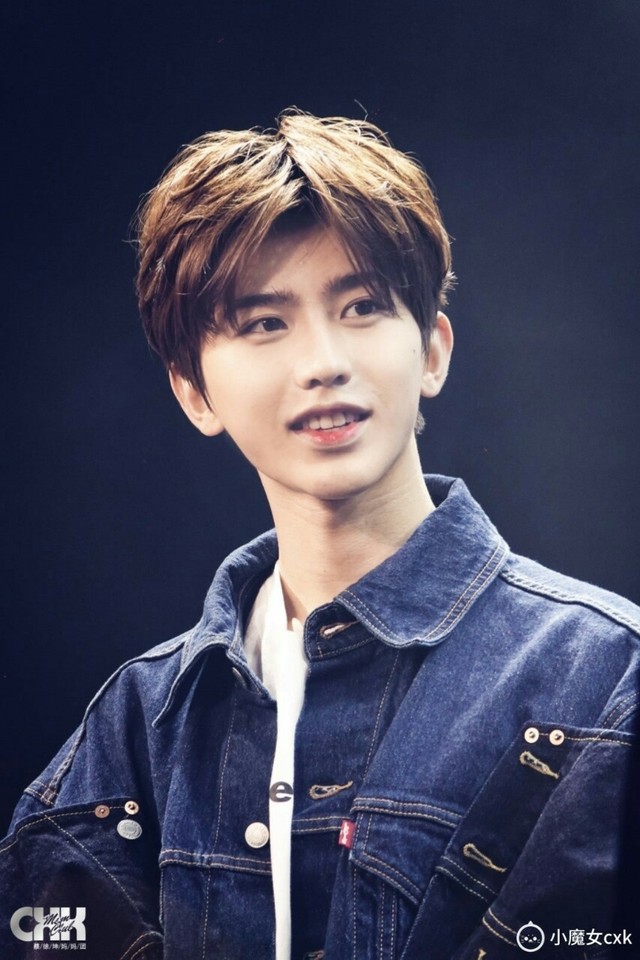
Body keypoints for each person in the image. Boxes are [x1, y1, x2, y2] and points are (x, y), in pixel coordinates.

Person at [1, 110, 638, 960]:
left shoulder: (607, 680)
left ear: (433, 352)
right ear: (193, 391)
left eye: (362, 306)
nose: (323, 361)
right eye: (265, 323)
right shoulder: (137, 725)